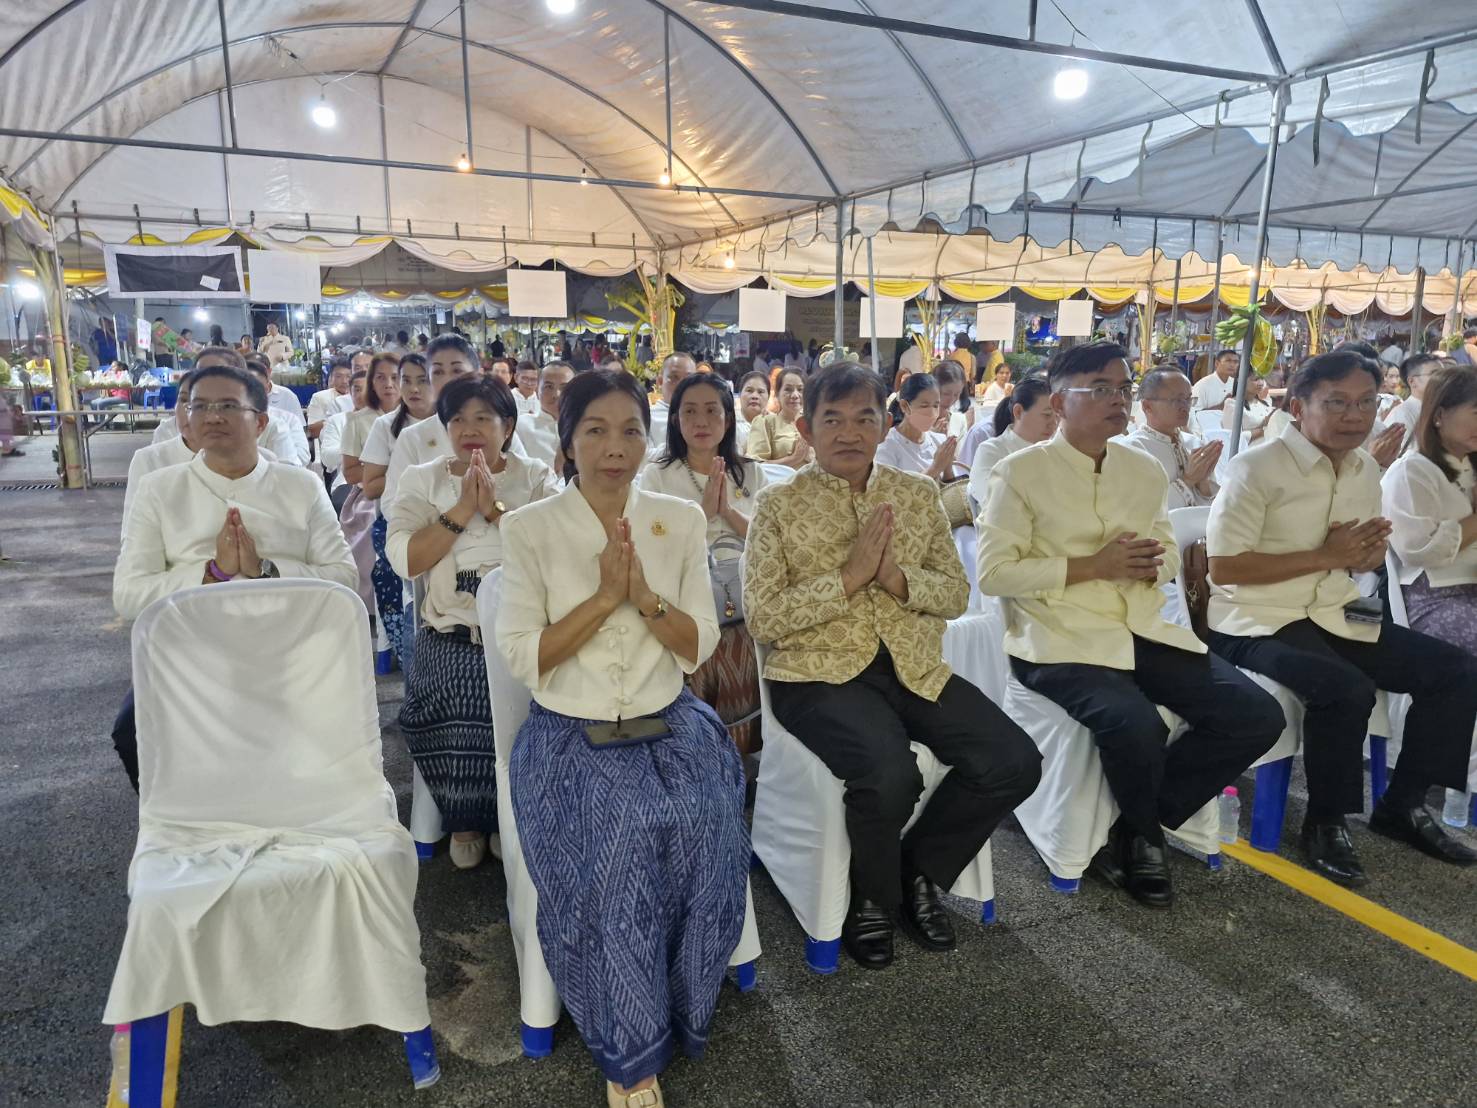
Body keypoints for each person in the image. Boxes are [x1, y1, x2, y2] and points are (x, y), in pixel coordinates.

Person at [497, 369, 747, 1108]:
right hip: (570, 735)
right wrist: (605, 596)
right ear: (567, 442)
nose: (616, 447)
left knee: (709, 830)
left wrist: (643, 595)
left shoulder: (677, 519)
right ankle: (629, 1050)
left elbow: (698, 644)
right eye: (596, 431)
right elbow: (523, 655)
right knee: (619, 844)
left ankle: (683, 1002)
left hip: (669, 724)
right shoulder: (530, 527)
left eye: (632, 430)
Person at [744, 361, 1041, 967]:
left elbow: (955, 593)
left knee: (1014, 761)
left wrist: (897, 580)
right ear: (806, 425)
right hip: (816, 674)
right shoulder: (777, 505)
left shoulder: (915, 495)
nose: (849, 432)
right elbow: (764, 618)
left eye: (864, 418)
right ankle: (871, 901)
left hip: (912, 665)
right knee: (889, 773)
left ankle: (920, 873)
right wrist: (849, 579)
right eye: (833, 419)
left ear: (886, 425)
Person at [978, 341, 1283, 908]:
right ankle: (1144, 841)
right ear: (1059, 401)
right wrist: (1094, 566)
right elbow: (994, 572)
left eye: (1122, 388)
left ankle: (1137, 822)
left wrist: (1149, 563)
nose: (1116, 400)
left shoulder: (1141, 470)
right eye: (1099, 389)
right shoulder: (1018, 473)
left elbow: (1167, 550)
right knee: (1136, 723)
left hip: (1143, 628)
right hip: (1058, 640)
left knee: (1256, 715)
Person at [1206, 349, 1477, 883]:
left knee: (1456, 670)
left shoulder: (1364, 468)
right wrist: (1329, 556)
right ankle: (1326, 820)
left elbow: (1363, 557)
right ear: (1300, 404)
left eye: (1365, 403)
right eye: (1337, 402)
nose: (1354, 415)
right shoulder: (1254, 467)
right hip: (1254, 620)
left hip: (1332, 610)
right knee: (1344, 687)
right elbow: (1224, 567)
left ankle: (1404, 804)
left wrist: (1366, 555)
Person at [111, 361, 357, 788]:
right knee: (131, 731)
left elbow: (344, 577)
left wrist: (267, 570)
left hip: (288, 644)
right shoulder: (160, 488)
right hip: (193, 650)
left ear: (260, 421)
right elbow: (129, 595)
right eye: (199, 406)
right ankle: (183, 821)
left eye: (228, 405)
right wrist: (213, 573)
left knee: (314, 736)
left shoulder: (299, 485)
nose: (212, 416)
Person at [387, 376, 558, 869]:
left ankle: (513, 814)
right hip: (453, 631)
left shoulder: (536, 477)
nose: (470, 428)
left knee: (544, 696)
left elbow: (556, 555)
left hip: (527, 630)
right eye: (458, 418)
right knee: (449, 691)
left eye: (484, 417)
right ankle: (467, 817)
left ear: (508, 426)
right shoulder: (423, 479)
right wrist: (463, 510)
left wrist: (498, 511)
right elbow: (406, 558)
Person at [642, 373, 768, 756]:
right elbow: (653, 549)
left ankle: (743, 761)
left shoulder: (750, 472)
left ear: (728, 419)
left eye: (712, 411)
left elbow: (767, 541)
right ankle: (699, 760)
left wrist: (727, 512)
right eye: (690, 412)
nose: (701, 422)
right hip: (685, 600)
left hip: (746, 600)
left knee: (749, 653)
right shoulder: (658, 474)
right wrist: (702, 513)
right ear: (676, 420)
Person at [1382, 365, 1477, 654]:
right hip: (1435, 596)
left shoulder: (1468, 465)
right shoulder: (1412, 470)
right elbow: (1421, 549)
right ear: (1439, 416)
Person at [360, 353, 437, 662]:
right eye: (406, 380)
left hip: (443, 518)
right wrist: (405, 476)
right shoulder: (386, 426)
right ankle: (405, 652)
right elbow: (371, 486)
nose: (413, 389)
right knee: (392, 574)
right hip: (397, 519)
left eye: (423, 380)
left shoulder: (454, 423)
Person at [382, 335, 481, 504]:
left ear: (477, 375)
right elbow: (393, 501)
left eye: (457, 370)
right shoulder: (412, 437)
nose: (448, 380)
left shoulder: (498, 429)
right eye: (438, 372)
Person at [1125, 368, 1223, 510]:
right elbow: (1139, 510)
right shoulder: (1132, 449)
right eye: (1177, 400)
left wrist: (1203, 481)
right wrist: (1188, 480)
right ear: (1147, 406)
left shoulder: (1194, 443)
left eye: (1188, 399)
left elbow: (1212, 507)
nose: (1185, 407)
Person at [965, 377, 1056, 510]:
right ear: (1018, 412)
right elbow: (996, 505)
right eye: (1047, 415)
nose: (1054, 423)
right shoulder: (991, 451)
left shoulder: (1057, 449)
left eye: (1058, 415)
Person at [876, 372, 960, 486]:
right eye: (924, 406)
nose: (931, 413)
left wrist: (947, 466)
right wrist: (935, 468)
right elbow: (892, 493)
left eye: (935, 405)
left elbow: (951, 493)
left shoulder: (939, 440)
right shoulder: (887, 445)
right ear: (905, 406)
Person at [242, 359, 310, 465]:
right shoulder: (225, 421)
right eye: (245, 388)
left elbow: (302, 457)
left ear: (267, 388)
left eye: (257, 388)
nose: (251, 394)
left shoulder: (287, 420)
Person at [512, 360, 573, 470]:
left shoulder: (583, 427)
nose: (557, 394)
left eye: (564, 388)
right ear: (537, 390)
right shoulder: (521, 426)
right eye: (549, 387)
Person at [745, 367, 811, 468]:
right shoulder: (765, 422)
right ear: (777, 393)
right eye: (788, 389)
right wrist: (793, 459)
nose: (795, 395)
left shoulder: (814, 425)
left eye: (800, 389)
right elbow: (754, 466)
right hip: (780, 483)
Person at [319, 367, 367, 493]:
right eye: (357, 389)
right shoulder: (337, 421)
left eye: (369, 389)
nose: (362, 394)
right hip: (347, 484)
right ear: (350, 393)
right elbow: (327, 457)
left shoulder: (388, 420)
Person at [1386, 352, 1442, 451]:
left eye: (1444, 374)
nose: (1442, 379)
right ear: (1412, 381)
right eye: (1435, 374)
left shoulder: (1445, 409)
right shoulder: (1402, 414)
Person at [648, 352, 694, 448]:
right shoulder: (648, 418)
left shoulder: (704, 417)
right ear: (660, 382)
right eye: (674, 378)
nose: (682, 385)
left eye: (689, 379)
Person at [306, 355, 354, 440]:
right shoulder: (320, 397)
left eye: (348, 376)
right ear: (331, 378)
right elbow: (312, 431)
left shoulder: (363, 397)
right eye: (338, 376)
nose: (344, 381)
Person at [932, 360, 973, 440]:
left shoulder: (959, 420)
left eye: (957, 394)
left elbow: (961, 451)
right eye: (946, 393)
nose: (951, 399)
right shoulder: (919, 419)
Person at [734, 369, 771, 454]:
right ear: (739, 394)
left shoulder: (774, 422)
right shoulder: (730, 423)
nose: (754, 396)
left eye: (760, 392)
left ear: (768, 396)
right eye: (749, 390)